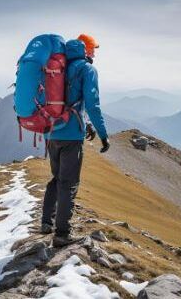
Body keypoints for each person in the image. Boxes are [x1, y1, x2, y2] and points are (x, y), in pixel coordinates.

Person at [41, 34, 110, 247]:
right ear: (86, 50)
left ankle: (46, 222)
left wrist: (86, 124)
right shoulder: (87, 69)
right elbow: (92, 104)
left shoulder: (56, 68)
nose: (95, 53)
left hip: (52, 133)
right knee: (68, 183)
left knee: (56, 178)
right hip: (72, 136)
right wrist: (103, 134)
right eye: (93, 49)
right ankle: (61, 234)